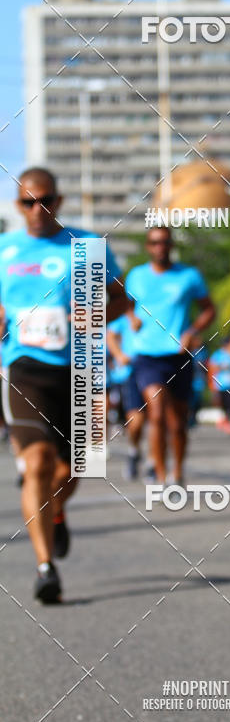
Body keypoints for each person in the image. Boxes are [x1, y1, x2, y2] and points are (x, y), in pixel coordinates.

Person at [0, 167, 126, 603]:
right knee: (35, 463)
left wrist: (98, 315)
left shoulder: (86, 246)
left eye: (45, 200)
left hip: (83, 366)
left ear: (59, 201)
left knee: (72, 470)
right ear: (17, 205)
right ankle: (44, 567)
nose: (37, 210)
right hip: (24, 368)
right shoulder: (4, 250)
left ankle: (55, 512)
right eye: (27, 202)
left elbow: (122, 299)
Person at [125, 226, 215, 485]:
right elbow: (126, 305)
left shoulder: (189, 276)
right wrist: (131, 318)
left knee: (177, 423)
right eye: (154, 243)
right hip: (147, 355)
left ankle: (178, 472)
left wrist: (193, 330)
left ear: (171, 245)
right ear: (147, 247)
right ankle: (161, 476)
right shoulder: (136, 276)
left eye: (164, 242)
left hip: (178, 355)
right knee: (156, 413)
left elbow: (209, 309)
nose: (159, 247)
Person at [106, 313, 147, 480]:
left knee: (158, 418)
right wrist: (119, 355)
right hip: (131, 372)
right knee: (136, 421)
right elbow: (111, 336)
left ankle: (156, 467)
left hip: (158, 367)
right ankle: (133, 450)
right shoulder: (123, 315)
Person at [208, 339, 230, 434]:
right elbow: (212, 368)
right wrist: (212, 384)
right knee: (224, 404)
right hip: (221, 384)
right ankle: (226, 421)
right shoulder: (217, 354)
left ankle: (228, 421)